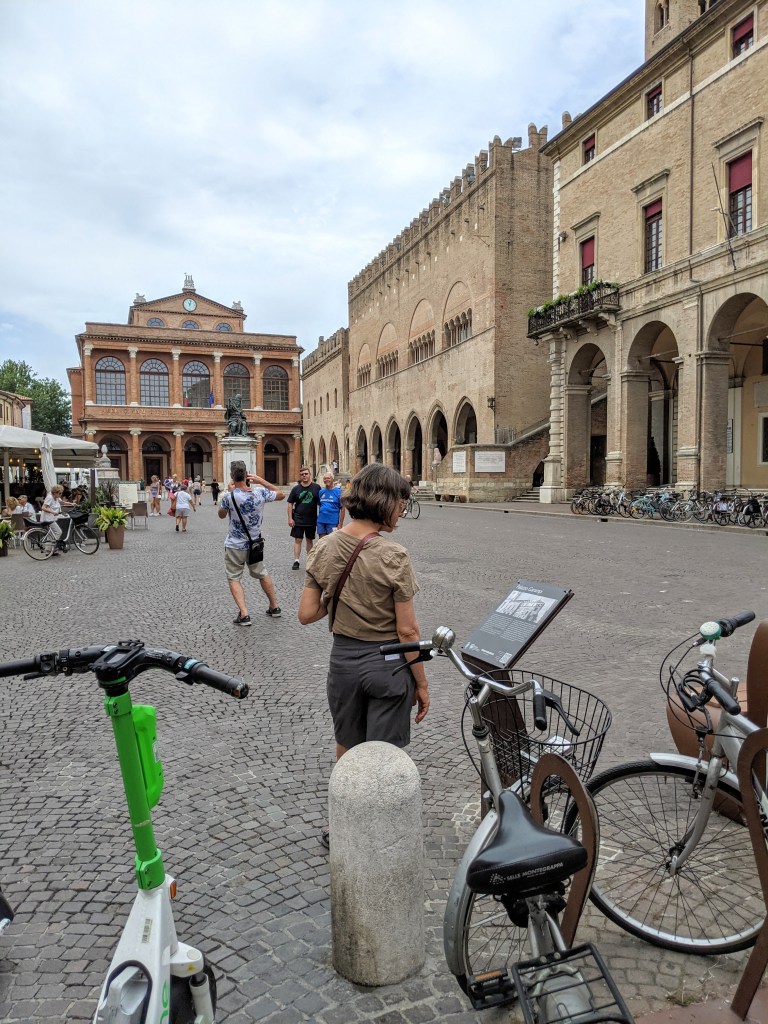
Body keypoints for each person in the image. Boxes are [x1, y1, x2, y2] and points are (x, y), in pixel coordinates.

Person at [297, 464, 430, 848]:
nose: (402, 510)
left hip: (343, 663)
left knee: (347, 748)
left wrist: (338, 596)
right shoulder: (394, 555)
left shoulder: (324, 546)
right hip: (387, 664)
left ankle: (342, 826)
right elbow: (408, 632)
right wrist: (422, 684)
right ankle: (377, 838)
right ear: (383, 502)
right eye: (400, 502)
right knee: (382, 757)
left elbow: (306, 614)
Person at [218, 460, 284, 625]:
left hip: (235, 545)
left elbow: (221, 515)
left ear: (232, 476)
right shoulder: (260, 493)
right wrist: (261, 481)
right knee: (262, 573)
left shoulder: (229, 497)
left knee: (234, 577)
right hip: (255, 543)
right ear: (247, 475)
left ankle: (244, 614)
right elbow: (280, 494)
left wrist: (230, 492)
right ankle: (274, 606)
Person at [287, 467, 321, 569]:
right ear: (300, 476)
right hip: (298, 518)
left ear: (310, 474)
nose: (304, 476)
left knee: (309, 540)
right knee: (298, 539)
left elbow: (321, 504)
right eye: (302, 474)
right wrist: (290, 518)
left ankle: (310, 561)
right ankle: (296, 561)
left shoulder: (317, 488)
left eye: (306, 474)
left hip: (311, 518)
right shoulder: (296, 489)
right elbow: (290, 504)